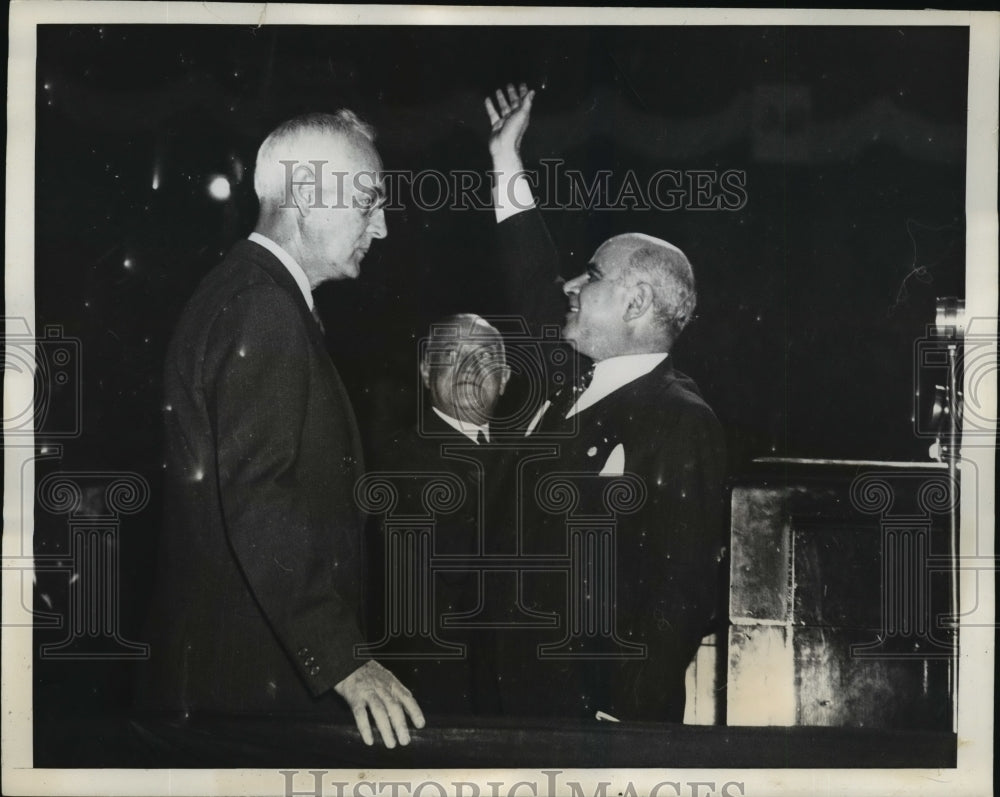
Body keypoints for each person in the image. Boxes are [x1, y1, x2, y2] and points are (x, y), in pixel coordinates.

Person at [136, 111, 424, 749]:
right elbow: (259, 498)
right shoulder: (264, 308)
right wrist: (342, 658)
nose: (382, 225)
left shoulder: (248, 294)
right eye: (370, 202)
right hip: (246, 687)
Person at [482, 84, 728, 722]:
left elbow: (680, 596)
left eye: (590, 275)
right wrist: (505, 159)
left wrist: (623, 730)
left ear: (637, 302)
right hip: (514, 707)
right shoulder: (573, 377)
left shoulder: (681, 421)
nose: (570, 284)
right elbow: (534, 278)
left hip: (590, 727)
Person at [366, 314, 511, 717]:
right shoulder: (399, 461)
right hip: (438, 700)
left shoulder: (518, 461)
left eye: (484, 358)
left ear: (506, 377)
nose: (470, 369)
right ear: (427, 371)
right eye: (454, 355)